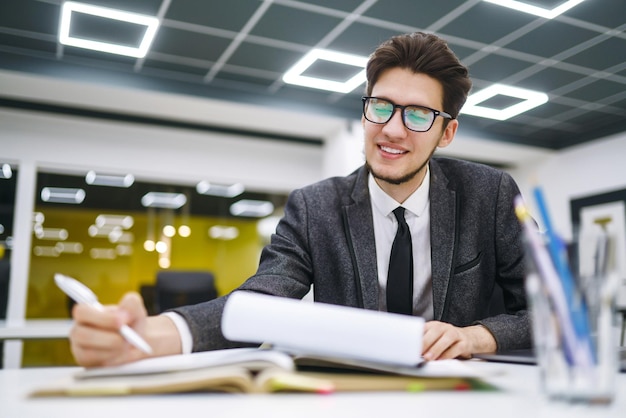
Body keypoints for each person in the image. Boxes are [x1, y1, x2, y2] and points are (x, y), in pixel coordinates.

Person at [70, 31, 530, 368]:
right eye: (381, 106)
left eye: (418, 115)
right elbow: (260, 302)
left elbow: (551, 311)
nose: (392, 129)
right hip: (349, 397)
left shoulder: (488, 196)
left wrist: (478, 335)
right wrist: (150, 335)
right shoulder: (315, 209)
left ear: (447, 132)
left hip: (463, 399)